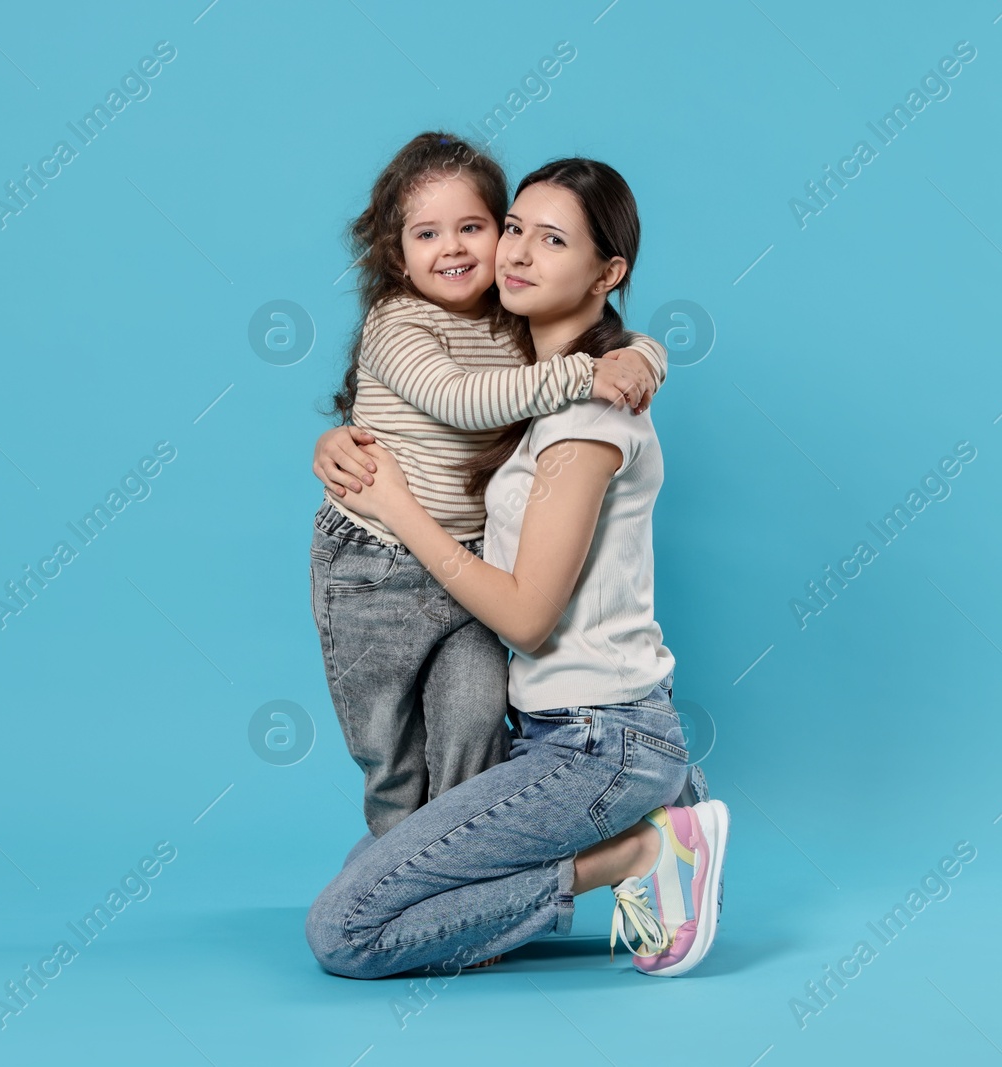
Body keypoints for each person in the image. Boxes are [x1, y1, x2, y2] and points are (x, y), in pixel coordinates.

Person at [305, 158, 729, 980]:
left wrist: (396, 507)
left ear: (608, 274)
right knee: (378, 870)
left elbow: (529, 619)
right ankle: (655, 815)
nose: (516, 253)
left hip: (597, 739)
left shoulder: (580, 419)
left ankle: (640, 852)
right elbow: (445, 400)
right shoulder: (524, 377)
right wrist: (339, 439)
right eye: (516, 229)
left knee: (347, 931)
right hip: (552, 730)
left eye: (553, 239)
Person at [310, 131, 667, 839]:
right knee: (390, 753)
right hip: (373, 565)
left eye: (476, 226)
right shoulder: (397, 322)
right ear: (395, 252)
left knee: (473, 724)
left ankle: (454, 882)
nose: (457, 248)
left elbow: (610, 339)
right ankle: (401, 866)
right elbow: (459, 399)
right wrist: (586, 373)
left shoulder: (512, 319)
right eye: (426, 233)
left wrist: (643, 358)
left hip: (466, 561)